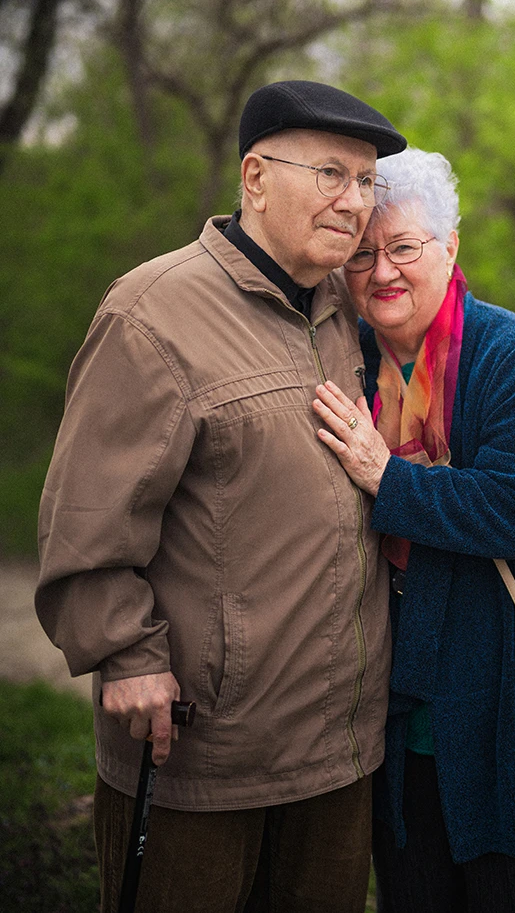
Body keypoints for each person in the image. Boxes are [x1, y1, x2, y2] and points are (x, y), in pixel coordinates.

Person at [35, 80, 407, 913]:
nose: (354, 203)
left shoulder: (346, 312)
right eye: (330, 175)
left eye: (366, 181)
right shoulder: (153, 315)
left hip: (340, 754)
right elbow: (86, 515)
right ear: (254, 175)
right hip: (204, 757)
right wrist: (125, 654)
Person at [312, 147, 515, 913]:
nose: (382, 273)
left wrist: (388, 478)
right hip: (400, 716)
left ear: (451, 247)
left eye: (404, 247)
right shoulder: (349, 366)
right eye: (364, 255)